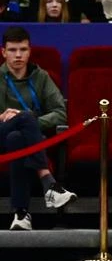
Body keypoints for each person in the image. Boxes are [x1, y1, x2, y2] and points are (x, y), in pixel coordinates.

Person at [0, 27, 75, 230]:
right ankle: (48, 182)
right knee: (23, 120)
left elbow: (60, 113)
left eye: (23, 49)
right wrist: (4, 117)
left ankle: (21, 215)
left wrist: (31, 121)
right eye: (12, 50)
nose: (18, 55)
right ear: (3, 52)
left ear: (29, 51)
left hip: (23, 141)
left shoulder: (41, 77)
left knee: (17, 137)